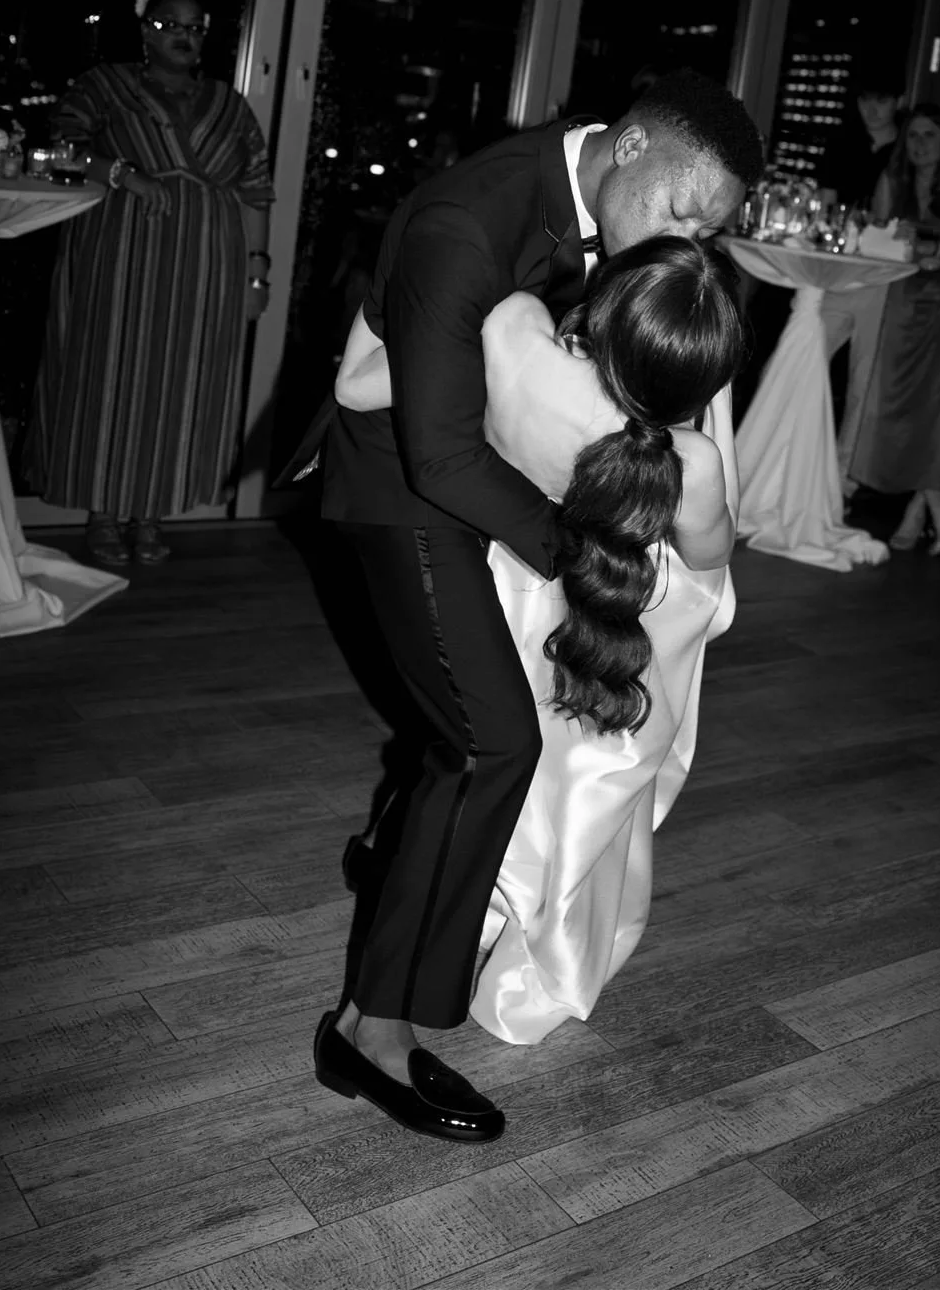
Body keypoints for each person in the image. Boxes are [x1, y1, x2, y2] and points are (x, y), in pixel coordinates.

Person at [313, 70, 761, 1142]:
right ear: (632, 147)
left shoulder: (614, 206)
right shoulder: (470, 220)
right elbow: (440, 455)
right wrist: (585, 548)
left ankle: (399, 853)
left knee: (482, 722)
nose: (690, 242)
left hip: (496, 469)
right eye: (687, 212)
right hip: (407, 484)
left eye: (710, 231)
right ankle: (368, 1031)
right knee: (488, 742)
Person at [329, 235, 744, 1046]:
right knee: (573, 790)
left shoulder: (518, 344)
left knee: (468, 749)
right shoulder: (689, 462)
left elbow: (368, 388)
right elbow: (708, 558)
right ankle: (524, 939)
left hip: (506, 598)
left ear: (603, 310)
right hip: (604, 644)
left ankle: (410, 865)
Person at [24, 0, 273, 563]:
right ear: (144, 31)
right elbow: (61, 146)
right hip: (119, 259)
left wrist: (255, 277)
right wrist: (122, 174)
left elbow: (257, 192)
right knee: (109, 374)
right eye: (169, 24)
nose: (183, 36)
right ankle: (103, 512)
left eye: (194, 27)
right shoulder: (105, 85)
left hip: (207, 268)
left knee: (184, 383)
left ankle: (151, 513)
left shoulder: (229, 104)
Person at [849, 104, 940, 553]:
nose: (919, 144)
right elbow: (875, 239)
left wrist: (929, 248)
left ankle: (922, 503)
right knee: (900, 406)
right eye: (913, 135)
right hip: (903, 298)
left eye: (930, 135)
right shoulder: (893, 180)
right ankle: (931, 497)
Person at [818, 66, 907, 492]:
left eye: (882, 100)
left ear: (898, 102)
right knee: (805, 353)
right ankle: (796, 461)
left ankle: (843, 481)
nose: (873, 109)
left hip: (885, 271)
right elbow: (827, 204)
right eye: (866, 100)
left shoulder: (907, 149)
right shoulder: (843, 144)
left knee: (864, 380)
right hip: (842, 265)